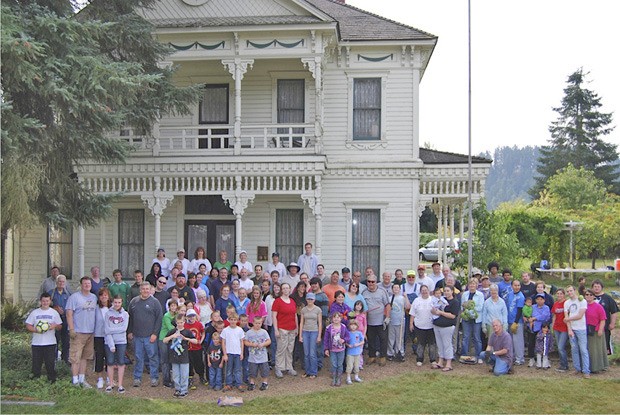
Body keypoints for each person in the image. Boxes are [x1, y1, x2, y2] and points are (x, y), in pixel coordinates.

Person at [128, 281, 163, 387]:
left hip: (150, 336)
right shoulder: (134, 302)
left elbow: (159, 319)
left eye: (147, 289)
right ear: (140, 290)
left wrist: (155, 333)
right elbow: (130, 318)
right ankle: (137, 378)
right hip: (137, 336)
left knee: (153, 357)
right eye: (143, 289)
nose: (145, 291)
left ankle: (154, 378)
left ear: (150, 289)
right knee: (138, 357)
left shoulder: (155, 302)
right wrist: (129, 331)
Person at [66, 276, 98, 388]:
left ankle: (81, 379)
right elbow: (69, 314)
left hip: (90, 332)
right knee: (75, 357)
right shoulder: (74, 297)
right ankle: (74, 381)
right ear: (81, 285)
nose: (87, 285)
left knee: (85, 357)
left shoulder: (94, 297)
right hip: (78, 332)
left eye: (89, 284)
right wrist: (71, 329)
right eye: (85, 284)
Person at [26, 293, 62, 383]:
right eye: (43, 301)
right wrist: (36, 330)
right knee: (36, 363)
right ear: (40, 301)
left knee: (50, 363)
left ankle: (52, 381)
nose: (45, 303)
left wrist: (54, 326)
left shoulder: (54, 312)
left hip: (50, 342)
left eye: (47, 301)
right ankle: (35, 381)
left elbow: (60, 326)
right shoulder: (35, 312)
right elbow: (28, 325)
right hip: (37, 343)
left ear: (50, 301)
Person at [163, 314, 197, 398]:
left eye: (181, 322)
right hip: (174, 357)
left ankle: (184, 390)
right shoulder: (172, 331)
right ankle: (177, 389)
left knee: (184, 374)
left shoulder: (187, 331)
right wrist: (172, 336)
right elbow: (164, 340)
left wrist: (186, 339)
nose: (179, 324)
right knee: (176, 374)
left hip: (184, 357)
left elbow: (196, 341)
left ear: (184, 322)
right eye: (178, 323)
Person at [363, 275, 391, 366]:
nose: (371, 283)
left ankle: (383, 356)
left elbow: (387, 305)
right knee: (371, 339)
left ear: (376, 282)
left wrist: (387, 317)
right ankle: (372, 356)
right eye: (369, 281)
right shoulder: (364, 292)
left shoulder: (382, 291)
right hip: (369, 321)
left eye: (373, 281)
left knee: (383, 339)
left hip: (381, 320)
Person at [104, 295, 129, 393]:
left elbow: (124, 328)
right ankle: (110, 384)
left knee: (121, 362)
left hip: (121, 341)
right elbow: (107, 330)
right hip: (109, 341)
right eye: (115, 302)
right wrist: (111, 345)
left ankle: (120, 385)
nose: (117, 304)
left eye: (119, 302)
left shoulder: (125, 314)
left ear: (121, 303)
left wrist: (112, 330)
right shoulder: (108, 314)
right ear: (112, 302)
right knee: (110, 362)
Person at [272, 283, 298, 378]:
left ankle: (289, 367)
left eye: (287, 288)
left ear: (290, 289)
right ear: (281, 290)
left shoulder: (292, 301)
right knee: (281, 348)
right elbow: (274, 316)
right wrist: (276, 329)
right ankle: (279, 368)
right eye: (284, 288)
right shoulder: (277, 301)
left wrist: (296, 328)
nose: (286, 290)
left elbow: (295, 315)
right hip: (282, 328)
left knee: (290, 348)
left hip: (292, 328)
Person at [564, 285, 590, 378]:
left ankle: (586, 371)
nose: (569, 293)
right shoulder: (567, 303)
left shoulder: (582, 301)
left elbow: (580, 315)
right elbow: (566, 316)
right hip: (572, 329)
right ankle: (577, 369)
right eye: (568, 291)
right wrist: (569, 329)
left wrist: (568, 319)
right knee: (574, 349)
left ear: (575, 291)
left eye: (571, 290)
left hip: (581, 328)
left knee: (583, 350)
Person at [432, 286, 459, 371]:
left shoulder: (455, 302)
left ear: (452, 291)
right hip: (437, 325)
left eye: (448, 291)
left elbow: (452, 316)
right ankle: (440, 362)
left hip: (447, 326)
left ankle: (448, 364)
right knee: (439, 345)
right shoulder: (440, 300)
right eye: (445, 291)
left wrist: (440, 312)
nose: (446, 292)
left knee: (447, 345)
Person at [409, 285, 437, 367]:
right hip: (419, 326)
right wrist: (411, 324)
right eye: (423, 290)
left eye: (426, 290)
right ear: (420, 291)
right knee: (420, 344)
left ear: (429, 291)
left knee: (432, 344)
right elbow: (412, 313)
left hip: (431, 326)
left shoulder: (433, 300)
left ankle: (433, 359)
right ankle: (419, 359)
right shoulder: (416, 300)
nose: (424, 292)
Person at [591, 279, 618, 356]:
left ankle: (605, 362)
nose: (596, 288)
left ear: (602, 287)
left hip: (605, 327)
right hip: (591, 327)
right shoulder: (589, 297)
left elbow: (614, 311)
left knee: (605, 345)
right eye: (595, 286)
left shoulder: (608, 298)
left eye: (598, 286)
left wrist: (612, 324)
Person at [299, 292, 322, 378]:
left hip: (314, 331)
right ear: (306, 299)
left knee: (312, 353)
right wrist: (300, 335)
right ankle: (307, 371)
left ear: (314, 300)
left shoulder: (318, 310)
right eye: (308, 299)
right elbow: (301, 322)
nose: (310, 301)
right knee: (306, 353)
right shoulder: (303, 310)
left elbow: (319, 323)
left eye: (311, 299)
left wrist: (319, 335)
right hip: (305, 331)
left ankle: (313, 371)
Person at [244, 315, 271, 391]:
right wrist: (252, 344)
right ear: (253, 323)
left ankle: (264, 383)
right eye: (256, 323)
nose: (257, 325)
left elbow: (269, 341)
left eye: (259, 323)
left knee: (264, 371)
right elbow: (245, 342)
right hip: (253, 357)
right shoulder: (249, 333)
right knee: (252, 371)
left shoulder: (264, 332)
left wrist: (263, 344)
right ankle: (252, 383)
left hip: (263, 356)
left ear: (261, 323)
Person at [584, 289, 608, 373]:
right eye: (587, 294)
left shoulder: (598, 306)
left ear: (594, 296)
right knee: (588, 350)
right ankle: (589, 366)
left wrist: (600, 329)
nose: (589, 296)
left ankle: (597, 367)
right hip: (586, 330)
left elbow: (603, 319)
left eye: (591, 295)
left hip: (596, 330)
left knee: (596, 349)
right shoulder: (583, 305)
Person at [49, 274, 71, 364]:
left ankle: (65, 360)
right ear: (56, 282)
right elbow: (46, 305)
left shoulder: (68, 293)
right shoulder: (51, 293)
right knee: (55, 339)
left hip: (65, 319)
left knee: (66, 341)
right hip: (55, 320)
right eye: (59, 281)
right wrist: (54, 308)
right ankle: (54, 360)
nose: (61, 283)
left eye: (63, 282)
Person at [460, 278, 484, 362]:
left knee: (477, 337)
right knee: (465, 337)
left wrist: (471, 309)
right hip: (466, 319)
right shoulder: (465, 294)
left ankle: (479, 356)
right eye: (470, 284)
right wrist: (466, 310)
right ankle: (464, 355)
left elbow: (480, 307)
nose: (472, 285)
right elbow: (462, 306)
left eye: (474, 284)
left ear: (477, 285)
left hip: (476, 319)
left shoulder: (480, 295)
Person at [323, 311, 350, 387]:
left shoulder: (343, 327)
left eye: (338, 317)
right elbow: (326, 339)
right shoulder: (328, 328)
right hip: (332, 350)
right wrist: (326, 349)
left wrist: (344, 340)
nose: (336, 319)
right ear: (332, 319)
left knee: (339, 364)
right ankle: (334, 378)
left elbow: (348, 336)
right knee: (333, 364)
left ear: (340, 319)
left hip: (341, 349)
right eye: (334, 317)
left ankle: (339, 378)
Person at [221, 312, 246, 391]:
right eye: (231, 319)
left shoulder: (239, 330)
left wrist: (241, 353)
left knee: (238, 369)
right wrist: (224, 354)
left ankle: (239, 383)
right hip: (229, 353)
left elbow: (242, 342)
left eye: (234, 320)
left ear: (237, 320)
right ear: (229, 320)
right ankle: (229, 384)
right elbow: (223, 342)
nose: (233, 321)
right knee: (229, 369)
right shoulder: (225, 330)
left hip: (237, 353)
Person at [526, 293, 551, 367]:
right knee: (531, 344)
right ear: (536, 300)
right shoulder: (532, 307)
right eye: (538, 299)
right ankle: (532, 359)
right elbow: (528, 314)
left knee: (544, 345)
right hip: (533, 328)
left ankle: (544, 360)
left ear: (544, 300)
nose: (539, 301)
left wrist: (535, 318)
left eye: (541, 299)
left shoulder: (546, 308)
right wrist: (529, 318)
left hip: (542, 329)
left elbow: (545, 316)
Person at [387, 284, 410, 362]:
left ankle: (400, 352)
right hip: (391, 321)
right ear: (392, 289)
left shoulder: (402, 298)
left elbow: (407, 307)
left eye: (397, 288)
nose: (396, 289)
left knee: (400, 338)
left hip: (400, 321)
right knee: (391, 338)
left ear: (400, 289)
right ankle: (390, 353)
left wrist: (406, 297)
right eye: (394, 288)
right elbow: (388, 309)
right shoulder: (389, 298)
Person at [93, 288, 111, 389]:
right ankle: (100, 378)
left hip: (109, 337)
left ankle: (109, 377)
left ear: (108, 296)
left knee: (109, 357)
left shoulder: (112, 308)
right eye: (101, 295)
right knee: (99, 356)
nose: (104, 297)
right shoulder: (96, 309)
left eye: (105, 295)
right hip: (99, 336)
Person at [505, 280, 525, 365]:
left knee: (518, 341)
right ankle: (512, 356)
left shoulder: (521, 296)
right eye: (515, 285)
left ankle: (520, 358)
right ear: (512, 286)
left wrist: (516, 322)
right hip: (509, 320)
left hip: (517, 321)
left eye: (518, 285)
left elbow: (520, 310)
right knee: (511, 341)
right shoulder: (510, 294)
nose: (517, 287)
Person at [551, 288, 569, 372]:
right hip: (557, 328)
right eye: (557, 293)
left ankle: (565, 365)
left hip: (564, 328)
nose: (559, 295)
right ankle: (562, 364)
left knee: (561, 347)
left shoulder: (567, 303)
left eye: (561, 293)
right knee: (559, 347)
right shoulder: (556, 304)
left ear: (564, 295)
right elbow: (554, 315)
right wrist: (553, 326)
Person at [345, 319, 364, 384]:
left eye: (354, 325)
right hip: (350, 353)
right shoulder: (348, 333)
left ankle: (356, 376)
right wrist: (348, 345)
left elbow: (362, 341)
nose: (353, 326)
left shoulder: (359, 333)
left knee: (357, 365)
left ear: (357, 326)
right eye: (351, 325)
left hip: (357, 352)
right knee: (349, 366)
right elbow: (345, 342)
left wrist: (358, 344)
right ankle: (348, 378)